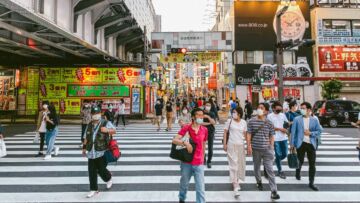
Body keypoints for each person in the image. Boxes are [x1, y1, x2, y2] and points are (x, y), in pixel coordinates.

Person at [172, 108, 208, 203]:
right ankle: (182, 197)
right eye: (198, 115)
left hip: (199, 163)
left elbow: (204, 145)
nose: (201, 117)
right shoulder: (187, 128)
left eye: (202, 115)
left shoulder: (204, 130)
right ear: (193, 117)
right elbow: (174, 140)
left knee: (200, 188)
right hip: (186, 162)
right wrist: (186, 144)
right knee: (184, 184)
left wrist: (203, 158)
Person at [246, 103, 280, 200]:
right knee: (256, 167)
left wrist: (272, 146)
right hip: (256, 149)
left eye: (261, 108)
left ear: (266, 111)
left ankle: (274, 191)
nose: (259, 109)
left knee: (270, 170)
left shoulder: (269, 122)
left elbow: (272, 135)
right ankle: (259, 181)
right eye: (258, 107)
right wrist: (248, 146)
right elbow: (249, 134)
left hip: (267, 150)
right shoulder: (251, 121)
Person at [82, 106, 117, 198]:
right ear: (91, 115)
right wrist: (84, 147)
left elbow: (114, 131)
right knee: (91, 171)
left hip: (102, 151)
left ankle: (108, 178)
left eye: (97, 113)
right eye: (94, 114)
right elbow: (86, 137)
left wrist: (107, 130)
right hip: (91, 152)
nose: (95, 115)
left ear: (100, 114)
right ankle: (93, 189)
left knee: (101, 170)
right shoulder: (89, 124)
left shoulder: (105, 122)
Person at [290, 102, 322, 191]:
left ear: (309, 110)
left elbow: (319, 131)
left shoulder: (314, 120)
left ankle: (311, 183)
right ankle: (298, 172)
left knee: (312, 163)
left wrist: (310, 133)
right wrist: (292, 145)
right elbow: (293, 132)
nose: (301, 110)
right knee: (300, 160)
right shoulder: (297, 119)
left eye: (303, 108)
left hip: (311, 144)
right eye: (301, 108)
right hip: (300, 143)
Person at [223, 107, 247, 197]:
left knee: (240, 165)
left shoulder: (244, 122)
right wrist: (224, 144)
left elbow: (245, 134)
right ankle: (235, 185)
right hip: (231, 145)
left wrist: (249, 145)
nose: (233, 114)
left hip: (240, 145)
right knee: (234, 165)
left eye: (235, 112)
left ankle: (236, 180)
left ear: (239, 114)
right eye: (233, 112)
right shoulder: (229, 121)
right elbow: (225, 132)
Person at [267, 101, 289, 179]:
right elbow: (269, 127)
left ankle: (277, 160)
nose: (279, 108)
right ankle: (280, 170)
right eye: (278, 106)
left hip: (284, 138)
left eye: (280, 106)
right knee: (278, 154)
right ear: (273, 108)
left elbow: (286, 123)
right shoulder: (270, 116)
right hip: (275, 138)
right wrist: (280, 129)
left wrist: (286, 128)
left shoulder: (283, 115)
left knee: (285, 154)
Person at [202, 101, 216, 168]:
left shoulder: (212, 113)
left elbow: (213, 122)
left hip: (211, 131)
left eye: (209, 105)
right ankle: (203, 159)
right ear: (204, 106)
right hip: (202, 131)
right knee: (202, 146)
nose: (208, 106)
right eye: (207, 105)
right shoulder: (201, 113)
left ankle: (209, 161)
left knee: (210, 147)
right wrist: (209, 123)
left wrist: (208, 117)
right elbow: (200, 123)